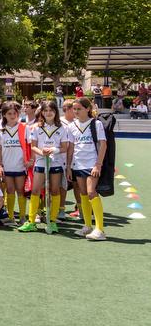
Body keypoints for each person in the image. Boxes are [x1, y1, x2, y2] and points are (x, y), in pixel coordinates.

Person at [21, 101, 69, 234]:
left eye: (51, 111)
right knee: (35, 190)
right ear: (42, 112)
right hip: (41, 162)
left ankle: (52, 221)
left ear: (56, 112)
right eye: (46, 111)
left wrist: (53, 150)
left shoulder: (62, 128)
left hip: (56, 163)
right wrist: (42, 152)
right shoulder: (36, 128)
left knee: (55, 190)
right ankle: (31, 221)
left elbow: (64, 147)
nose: (48, 113)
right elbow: (33, 146)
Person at [68, 97, 108, 241]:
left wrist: (98, 164)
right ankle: (87, 226)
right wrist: (68, 166)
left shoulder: (96, 124)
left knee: (92, 192)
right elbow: (71, 148)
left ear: (87, 109)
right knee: (83, 194)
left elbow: (103, 145)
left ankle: (100, 229)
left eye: (79, 108)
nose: (76, 111)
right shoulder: (72, 126)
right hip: (78, 164)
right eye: (74, 109)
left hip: (92, 164)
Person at [0, 101, 29, 226]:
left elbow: (29, 146)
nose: (12, 115)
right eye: (9, 113)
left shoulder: (24, 128)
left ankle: (22, 216)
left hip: (20, 164)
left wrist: (29, 160)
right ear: (4, 115)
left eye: (15, 113)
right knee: (9, 190)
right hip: (7, 165)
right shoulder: (0, 129)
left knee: (20, 190)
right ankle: (10, 217)